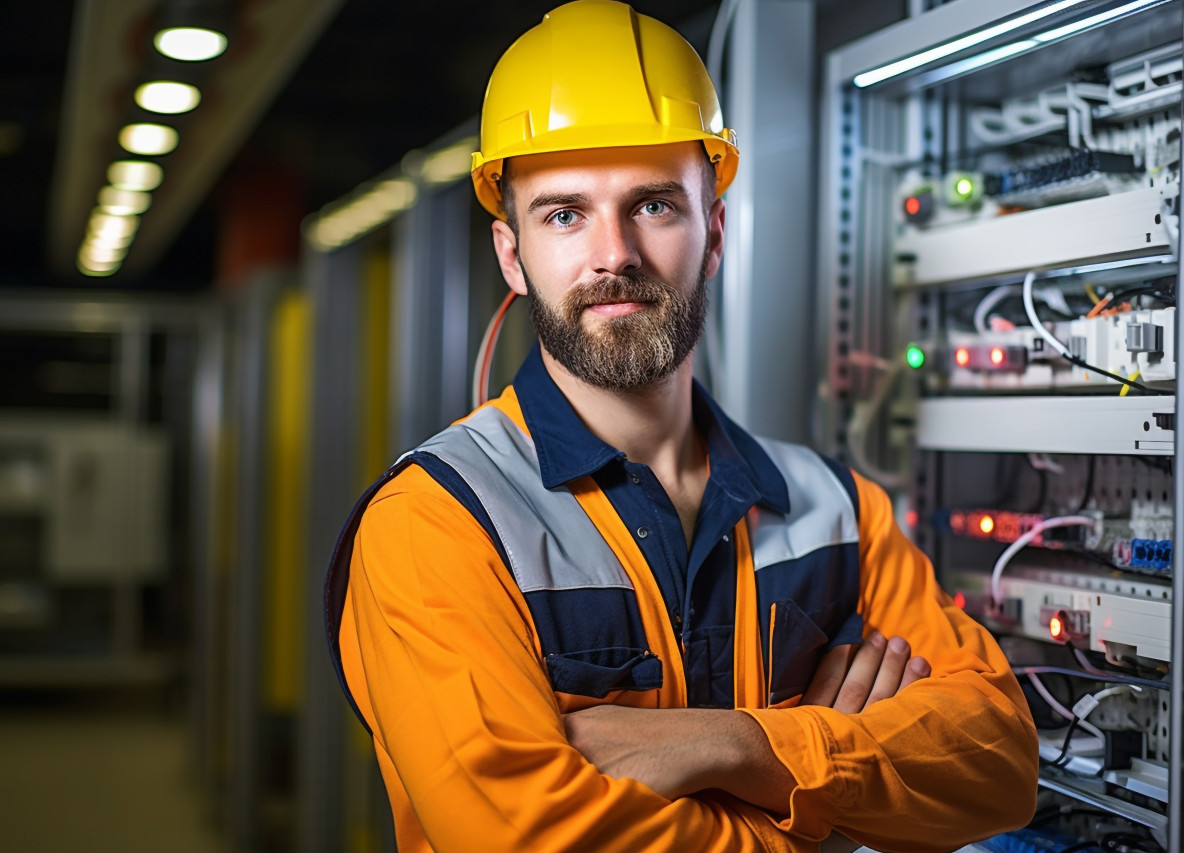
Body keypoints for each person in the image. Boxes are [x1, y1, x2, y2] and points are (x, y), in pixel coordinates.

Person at [324, 2, 1039, 850]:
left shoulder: (839, 509)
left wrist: (739, 745)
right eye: (564, 214)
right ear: (512, 255)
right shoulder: (436, 524)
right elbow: (527, 838)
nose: (615, 253)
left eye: (655, 205)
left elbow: (999, 759)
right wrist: (823, 808)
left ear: (715, 234)